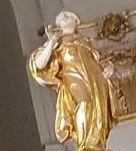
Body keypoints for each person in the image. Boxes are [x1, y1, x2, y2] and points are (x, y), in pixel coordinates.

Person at [29, 11, 114, 151]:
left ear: (76, 21)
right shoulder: (58, 43)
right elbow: (39, 64)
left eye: (67, 15)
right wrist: (51, 42)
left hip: (96, 82)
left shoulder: (86, 42)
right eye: (61, 17)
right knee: (83, 104)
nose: (64, 17)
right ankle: (85, 145)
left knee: (97, 108)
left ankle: (96, 145)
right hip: (74, 81)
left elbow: (102, 59)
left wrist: (109, 67)